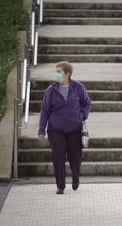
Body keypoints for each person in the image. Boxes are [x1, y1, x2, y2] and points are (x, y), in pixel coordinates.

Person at [38, 61, 91, 194]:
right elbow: (45, 111)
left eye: (59, 72)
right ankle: (60, 185)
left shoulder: (78, 87)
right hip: (56, 129)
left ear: (67, 74)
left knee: (75, 156)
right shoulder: (51, 90)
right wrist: (41, 130)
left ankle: (75, 177)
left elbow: (87, 103)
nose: (56, 74)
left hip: (74, 128)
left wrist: (82, 115)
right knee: (58, 156)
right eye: (56, 72)